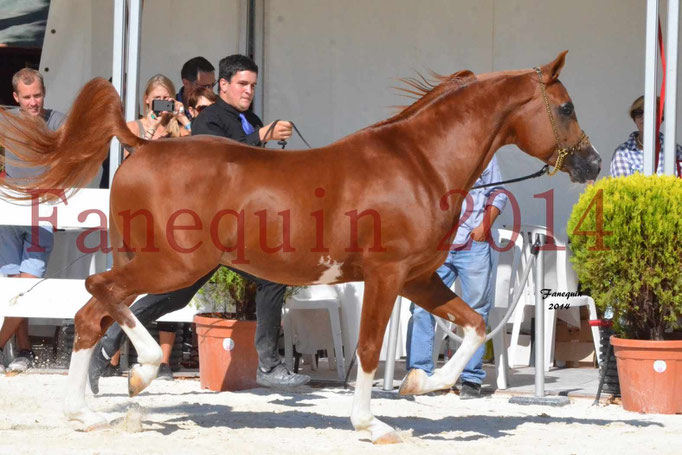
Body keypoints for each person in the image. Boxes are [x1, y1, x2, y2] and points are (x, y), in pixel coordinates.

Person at [89, 55, 306, 392]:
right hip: (208, 229)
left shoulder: (250, 119)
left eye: (253, 85)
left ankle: (268, 362)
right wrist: (262, 135)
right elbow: (217, 160)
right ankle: (108, 343)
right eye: (243, 84)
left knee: (262, 279)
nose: (249, 91)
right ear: (223, 85)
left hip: (238, 231)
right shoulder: (211, 119)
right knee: (177, 294)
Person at [405, 156, 507, 399]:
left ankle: (471, 379)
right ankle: (419, 374)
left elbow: (499, 193)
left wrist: (484, 227)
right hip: (436, 245)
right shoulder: (435, 150)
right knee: (421, 306)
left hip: (473, 245)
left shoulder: (487, 154)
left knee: (477, 309)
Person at [0, 68, 65, 374]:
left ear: (44, 93)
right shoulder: (5, 119)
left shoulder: (57, 120)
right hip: (9, 212)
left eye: (37, 95)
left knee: (29, 284)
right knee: (14, 287)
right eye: (26, 97)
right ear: (16, 97)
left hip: (42, 212)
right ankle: (22, 350)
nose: (33, 102)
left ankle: (1, 344)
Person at [610, 95, 682, 177]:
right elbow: (622, 188)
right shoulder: (623, 152)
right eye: (638, 113)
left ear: (661, 118)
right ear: (634, 119)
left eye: (650, 112)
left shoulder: (676, 150)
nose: (644, 117)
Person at [176, 56, 216, 121]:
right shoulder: (170, 106)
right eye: (205, 86)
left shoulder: (218, 105)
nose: (211, 91)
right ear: (186, 83)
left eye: (213, 85)